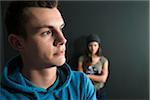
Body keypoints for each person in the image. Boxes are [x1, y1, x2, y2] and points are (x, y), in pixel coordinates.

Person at [0, 1, 97, 100]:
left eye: (61, 28)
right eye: (47, 32)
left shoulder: (81, 85)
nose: (62, 40)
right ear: (17, 43)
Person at [78, 34, 109, 100]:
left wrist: (88, 76)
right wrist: (96, 77)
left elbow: (103, 79)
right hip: (86, 89)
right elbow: (80, 76)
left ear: (98, 46)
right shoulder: (82, 59)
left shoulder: (103, 60)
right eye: (90, 45)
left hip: (99, 91)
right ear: (87, 46)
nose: (93, 48)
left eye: (95, 45)